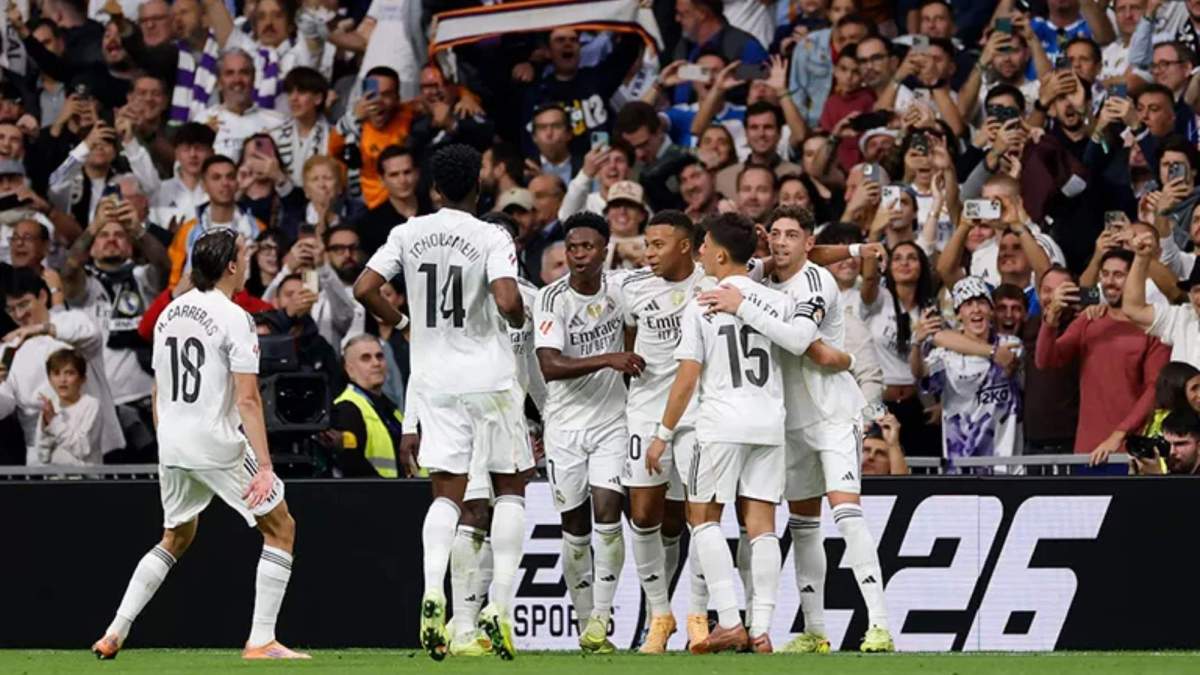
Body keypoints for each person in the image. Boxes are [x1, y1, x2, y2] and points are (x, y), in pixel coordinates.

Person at [91, 229, 305, 660]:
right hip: (214, 441)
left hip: (172, 442)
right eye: (242, 257)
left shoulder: (171, 312)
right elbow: (247, 398)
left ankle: (114, 632)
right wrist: (265, 465)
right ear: (230, 266)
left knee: (176, 535)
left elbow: (157, 388)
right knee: (282, 528)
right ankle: (262, 640)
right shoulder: (235, 317)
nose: (245, 263)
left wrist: (165, 436)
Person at [354, 144, 529, 661]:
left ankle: (433, 593)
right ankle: (498, 605)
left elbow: (365, 287)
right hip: (488, 378)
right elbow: (506, 299)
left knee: (446, 495)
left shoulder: (407, 233)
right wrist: (515, 321)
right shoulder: (490, 234)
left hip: (434, 382)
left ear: (432, 190)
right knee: (511, 489)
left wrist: (406, 324)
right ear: (478, 187)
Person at [698, 205, 892, 653]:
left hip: (831, 413)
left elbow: (802, 340)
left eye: (793, 235)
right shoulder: (761, 275)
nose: (782, 243)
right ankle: (816, 631)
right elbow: (814, 255)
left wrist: (742, 306)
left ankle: (879, 624)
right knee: (804, 526)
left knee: (846, 515)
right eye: (777, 234)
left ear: (807, 243)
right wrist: (857, 247)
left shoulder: (815, 282)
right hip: (788, 420)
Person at [646, 212, 786, 654]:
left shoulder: (704, 302)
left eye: (705, 244)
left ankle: (728, 620)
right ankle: (761, 629)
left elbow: (686, 378)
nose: (701, 250)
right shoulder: (773, 301)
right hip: (770, 422)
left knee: (702, 518)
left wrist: (662, 434)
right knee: (762, 526)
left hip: (723, 423)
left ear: (721, 254)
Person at [534, 211, 641, 654]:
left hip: (611, 423)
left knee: (609, 516)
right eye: (571, 248)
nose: (578, 256)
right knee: (575, 530)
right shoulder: (550, 299)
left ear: (604, 249)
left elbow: (636, 325)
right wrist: (611, 358)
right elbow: (550, 366)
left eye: (587, 248)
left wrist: (629, 358)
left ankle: (600, 618)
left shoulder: (621, 289)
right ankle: (585, 627)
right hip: (563, 426)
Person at [612, 210, 708, 652]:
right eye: (646, 245)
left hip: (699, 413)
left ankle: (698, 616)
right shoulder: (633, 286)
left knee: (699, 518)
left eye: (658, 245)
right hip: (646, 411)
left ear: (686, 246)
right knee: (645, 514)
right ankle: (659, 615)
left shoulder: (711, 283)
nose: (649, 253)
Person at [1035, 248, 1171, 468]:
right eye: (1105, 274)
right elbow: (1046, 361)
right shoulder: (1089, 320)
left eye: (1118, 275)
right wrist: (1051, 318)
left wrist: (1119, 434)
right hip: (1087, 451)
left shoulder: (1154, 327)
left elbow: (1154, 389)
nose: (1110, 282)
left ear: (1137, 278)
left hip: (1133, 453)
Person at [0, 267, 124, 464]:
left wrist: (39, 329)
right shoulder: (9, 348)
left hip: (92, 452)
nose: (19, 315)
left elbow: (89, 333)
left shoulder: (71, 321)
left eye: (24, 304)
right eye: (11, 309)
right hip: (42, 459)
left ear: (42, 296)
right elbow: (4, 405)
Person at [913, 276, 1024, 472]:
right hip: (960, 466)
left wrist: (995, 352)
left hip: (1006, 468)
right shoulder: (945, 355)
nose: (976, 309)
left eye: (982, 302)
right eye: (968, 304)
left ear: (991, 310)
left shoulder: (1011, 344)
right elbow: (920, 372)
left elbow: (1010, 364)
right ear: (958, 315)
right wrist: (915, 344)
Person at [1123, 229, 1200, 369]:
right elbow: (1133, 309)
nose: (1198, 298)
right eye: (1196, 290)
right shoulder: (1182, 317)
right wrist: (1141, 258)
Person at [329, 334, 403, 478]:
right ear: (349, 369)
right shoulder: (346, 408)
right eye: (366, 358)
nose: (376, 363)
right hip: (372, 495)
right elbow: (352, 465)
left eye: (379, 356)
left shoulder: (391, 409)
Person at [34, 347, 101, 466]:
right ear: (49, 379)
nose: (62, 380)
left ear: (82, 379)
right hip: (54, 479)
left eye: (69, 373)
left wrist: (54, 422)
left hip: (84, 480)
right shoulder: (50, 407)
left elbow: (82, 449)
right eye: (56, 373)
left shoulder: (91, 404)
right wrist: (46, 425)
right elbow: (42, 455)